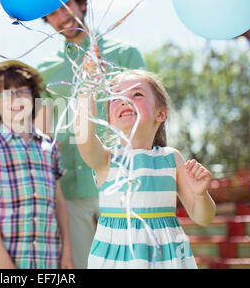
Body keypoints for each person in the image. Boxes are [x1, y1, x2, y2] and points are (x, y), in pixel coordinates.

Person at [36, 0, 147, 268]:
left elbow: (146, 117)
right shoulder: (45, 71)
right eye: (51, 13)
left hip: (123, 181)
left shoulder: (125, 54)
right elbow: (43, 133)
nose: (61, 17)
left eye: (65, 6)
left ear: (82, 5)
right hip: (72, 191)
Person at [74, 65, 216, 268]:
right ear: (109, 120)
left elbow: (203, 218)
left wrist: (201, 195)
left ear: (160, 114)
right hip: (118, 259)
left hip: (168, 258)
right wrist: (87, 85)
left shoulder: (171, 158)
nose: (124, 100)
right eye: (116, 97)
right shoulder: (106, 160)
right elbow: (83, 135)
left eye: (137, 93)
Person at [0, 60, 73, 269]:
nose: (15, 98)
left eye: (21, 91)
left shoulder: (49, 147)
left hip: (48, 257)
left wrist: (67, 253)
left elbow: (59, 202)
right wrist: (2, 259)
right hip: (6, 259)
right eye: (6, 93)